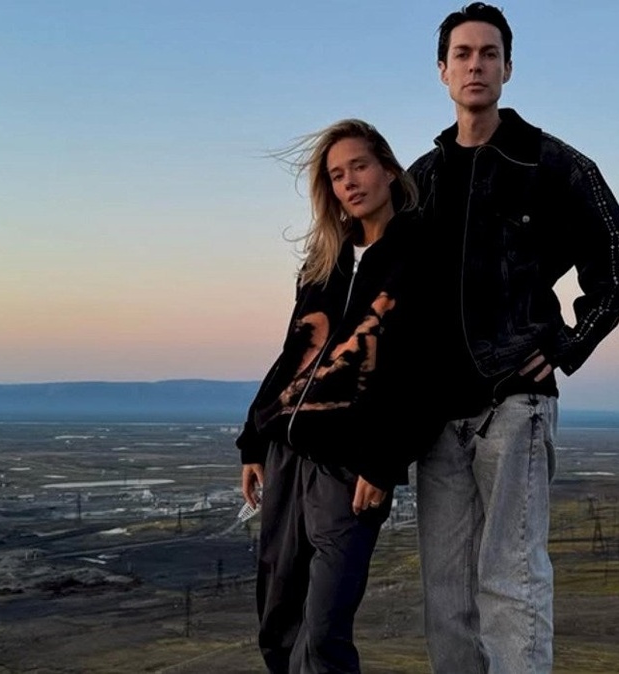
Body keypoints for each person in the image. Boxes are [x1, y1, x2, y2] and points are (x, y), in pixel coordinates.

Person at [407, 3, 619, 672]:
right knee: (446, 593)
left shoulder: (551, 162)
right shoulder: (422, 178)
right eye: (463, 54)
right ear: (442, 70)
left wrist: (569, 344)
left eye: (489, 53)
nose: (475, 65)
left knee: (511, 582)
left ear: (508, 68)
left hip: (515, 401)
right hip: (436, 418)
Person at [236, 119, 433, 674]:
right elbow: (293, 354)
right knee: (277, 623)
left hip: (351, 467)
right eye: (337, 175)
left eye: (359, 167)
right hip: (287, 455)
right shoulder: (323, 262)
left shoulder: (420, 254)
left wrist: (384, 460)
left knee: (323, 632)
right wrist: (254, 440)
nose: (349, 182)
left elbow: (423, 372)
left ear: (388, 170)